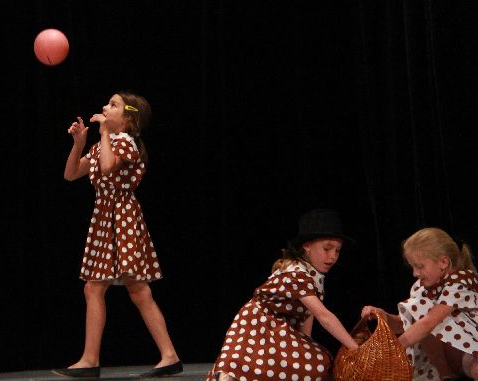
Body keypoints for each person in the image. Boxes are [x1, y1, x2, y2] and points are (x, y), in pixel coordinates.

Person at [53, 92, 182, 379]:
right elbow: (71, 174)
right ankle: (91, 359)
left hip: (123, 218)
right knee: (95, 288)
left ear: (128, 119)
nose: (104, 107)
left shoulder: (125, 142)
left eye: (113, 105)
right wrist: (79, 144)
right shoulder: (104, 144)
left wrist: (103, 134)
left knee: (137, 289)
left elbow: (109, 167)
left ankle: (168, 356)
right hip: (104, 218)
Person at [206, 208, 360, 381]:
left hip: (280, 331)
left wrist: (306, 347)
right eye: (327, 248)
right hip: (258, 326)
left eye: (337, 250)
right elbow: (324, 316)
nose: (333, 256)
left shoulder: (312, 276)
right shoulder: (296, 274)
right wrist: (355, 349)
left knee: (319, 362)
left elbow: (306, 316)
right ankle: (229, 375)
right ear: (307, 246)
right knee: (241, 365)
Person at [361, 227, 478, 380]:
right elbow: (408, 325)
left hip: (472, 352)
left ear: (443, 262)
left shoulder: (460, 282)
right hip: (451, 359)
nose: (415, 273)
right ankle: (445, 376)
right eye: (412, 267)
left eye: (420, 266)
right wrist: (384, 317)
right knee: (422, 313)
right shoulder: (423, 287)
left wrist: (393, 350)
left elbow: (428, 322)